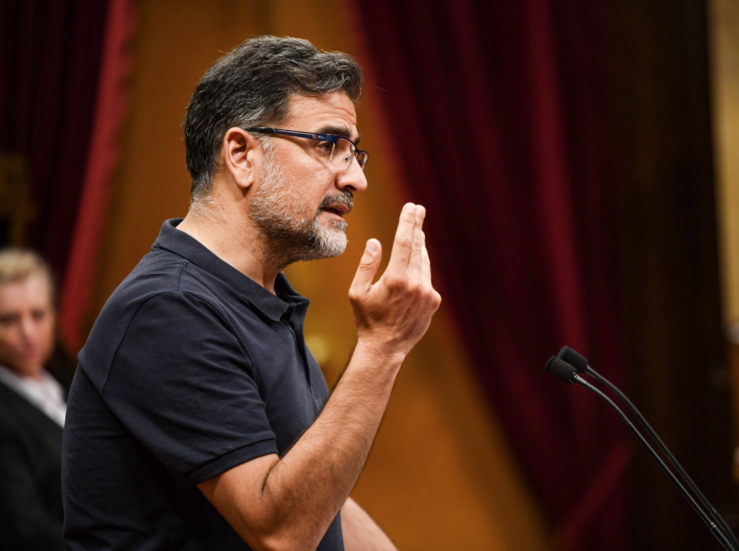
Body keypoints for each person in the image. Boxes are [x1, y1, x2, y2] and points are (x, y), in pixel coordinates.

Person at [62, 36, 441, 551]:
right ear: (241, 154)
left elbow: (320, 495)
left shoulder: (260, 301)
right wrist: (382, 348)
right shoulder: (168, 308)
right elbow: (280, 532)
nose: (356, 178)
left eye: (355, 153)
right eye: (329, 144)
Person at [0, 248, 66, 551]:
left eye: (38, 315)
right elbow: (26, 529)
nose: (28, 333)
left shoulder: (67, 377)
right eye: (9, 320)